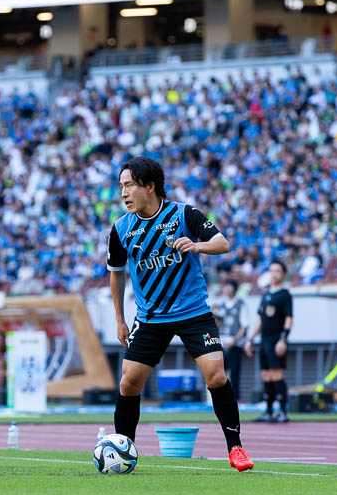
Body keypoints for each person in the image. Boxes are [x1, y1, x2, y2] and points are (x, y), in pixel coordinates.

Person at [106, 156, 253, 471]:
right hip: (150, 318)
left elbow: (223, 244)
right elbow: (116, 274)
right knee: (128, 382)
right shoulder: (120, 229)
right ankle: (122, 451)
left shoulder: (184, 214)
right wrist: (120, 319)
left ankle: (236, 448)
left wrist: (197, 246)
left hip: (193, 313)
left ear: (150, 186)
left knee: (216, 375)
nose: (124, 193)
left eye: (129, 185)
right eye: (121, 187)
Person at [244, 261, 294, 422]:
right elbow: (260, 319)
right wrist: (250, 339)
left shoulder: (285, 295)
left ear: (283, 274)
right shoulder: (265, 295)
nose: (274, 274)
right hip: (263, 340)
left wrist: (283, 339)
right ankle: (269, 411)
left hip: (276, 339)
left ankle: (283, 412)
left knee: (277, 374)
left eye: (277, 271)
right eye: (272, 271)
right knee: (265, 375)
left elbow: (289, 319)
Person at [213, 280, 248, 396]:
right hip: (222, 343)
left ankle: (235, 397)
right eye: (225, 286)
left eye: (229, 286)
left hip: (234, 343)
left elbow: (244, 326)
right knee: (220, 371)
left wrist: (235, 340)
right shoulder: (221, 305)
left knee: (234, 372)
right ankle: (222, 396)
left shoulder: (240, 304)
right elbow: (218, 324)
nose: (227, 289)